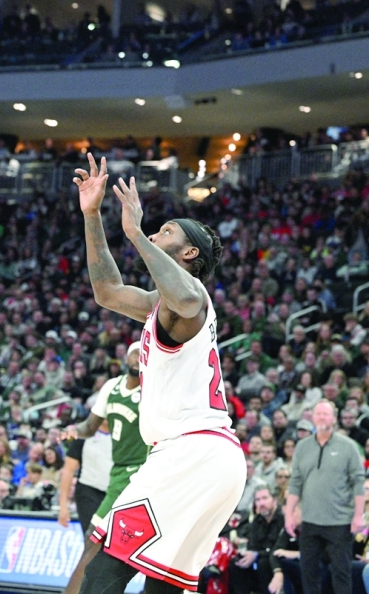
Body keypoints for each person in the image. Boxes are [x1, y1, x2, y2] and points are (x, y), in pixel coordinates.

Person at [74, 155, 247, 594]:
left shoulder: (191, 299)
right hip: (212, 459)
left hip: (191, 452)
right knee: (164, 587)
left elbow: (186, 299)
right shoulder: (160, 304)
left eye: (165, 232)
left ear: (190, 253)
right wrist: (92, 215)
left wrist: (134, 233)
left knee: (103, 570)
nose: (154, 234)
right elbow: (108, 291)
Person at [63, 344, 149, 594]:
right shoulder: (112, 387)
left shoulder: (152, 389)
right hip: (117, 473)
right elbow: (90, 427)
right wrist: (74, 430)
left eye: (143, 353)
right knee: (95, 543)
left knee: (96, 540)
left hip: (139, 472)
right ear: (125, 357)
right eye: (134, 353)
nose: (138, 357)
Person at [285, 400, 364, 594]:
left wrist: (358, 515)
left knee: (341, 574)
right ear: (312, 417)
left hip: (339, 522)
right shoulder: (302, 447)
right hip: (309, 521)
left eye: (326, 414)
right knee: (308, 573)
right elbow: (295, 482)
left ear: (334, 418)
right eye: (318, 414)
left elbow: (358, 482)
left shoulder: (348, 446)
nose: (321, 417)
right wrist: (289, 514)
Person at [232, 486, 286, 594]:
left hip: (278, 559)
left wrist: (256, 554)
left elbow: (277, 548)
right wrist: (248, 554)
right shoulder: (257, 520)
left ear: (274, 500)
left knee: (263, 563)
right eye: (258, 500)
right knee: (236, 563)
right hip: (261, 557)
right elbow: (253, 546)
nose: (261, 503)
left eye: (265, 498)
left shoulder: (283, 518)